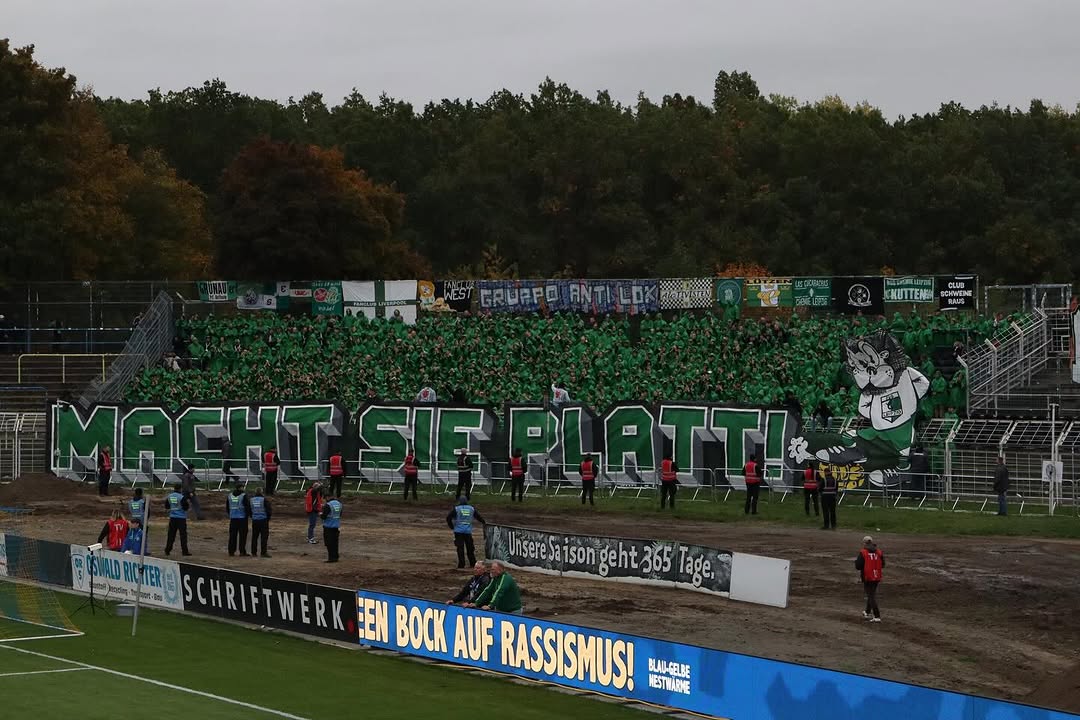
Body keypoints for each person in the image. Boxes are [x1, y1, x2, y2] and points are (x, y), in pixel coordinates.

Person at [446, 497, 486, 569]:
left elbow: (448, 517)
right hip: (468, 531)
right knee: (470, 548)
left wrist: (451, 526)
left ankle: (461, 564)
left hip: (458, 531)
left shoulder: (456, 509)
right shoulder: (471, 509)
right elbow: (478, 517)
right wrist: (484, 522)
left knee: (460, 548)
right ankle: (472, 563)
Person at [855, 535, 885, 623]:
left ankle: (877, 615)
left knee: (871, 596)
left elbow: (858, 566)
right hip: (877, 576)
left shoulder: (863, 552)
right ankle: (867, 612)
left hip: (867, 576)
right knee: (871, 594)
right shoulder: (879, 552)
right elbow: (883, 564)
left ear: (864, 543)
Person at [163, 483, 191, 556]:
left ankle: (167, 550)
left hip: (172, 518)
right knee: (183, 535)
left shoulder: (169, 496)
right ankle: (184, 551)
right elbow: (186, 507)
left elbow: (167, 506)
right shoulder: (181, 497)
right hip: (181, 518)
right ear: (180, 489)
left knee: (171, 535)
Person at [226, 483, 250, 556]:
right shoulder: (243, 495)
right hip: (242, 518)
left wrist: (231, 514)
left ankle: (231, 551)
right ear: (241, 488)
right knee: (243, 536)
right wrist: (248, 515)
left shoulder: (230, 495)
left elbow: (227, 507)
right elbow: (247, 506)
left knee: (232, 535)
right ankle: (242, 551)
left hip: (233, 518)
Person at [249, 487, 272, 558]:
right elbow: (269, 510)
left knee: (254, 537)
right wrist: (267, 519)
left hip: (255, 520)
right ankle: (263, 552)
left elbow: (249, 510)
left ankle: (253, 552)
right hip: (263, 520)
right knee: (264, 537)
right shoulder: (264, 500)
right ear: (262, 492)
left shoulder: (251, 500)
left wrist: (253, 516)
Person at [320, 493, 343, 563]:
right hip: (336, 526)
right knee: (335, 543)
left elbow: (324, 516)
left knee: (329, 543)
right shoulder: (339, 504)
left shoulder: (328, 505)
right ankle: (335, 557)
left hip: (328, 526)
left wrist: (320, 514)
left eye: (324, 499)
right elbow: (340, 514)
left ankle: (331, 558)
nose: (324, 500)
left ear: (327, 497)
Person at [820, 464, 839, 530]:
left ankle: (826, 525)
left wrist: (821, 493)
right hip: (833, 496)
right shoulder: (835, 480)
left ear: (825, 472)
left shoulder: (824, 479)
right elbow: (836, 488)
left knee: (826, 511)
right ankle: (833, 525)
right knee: (832, 511)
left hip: (825, 497)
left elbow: (820, 488)